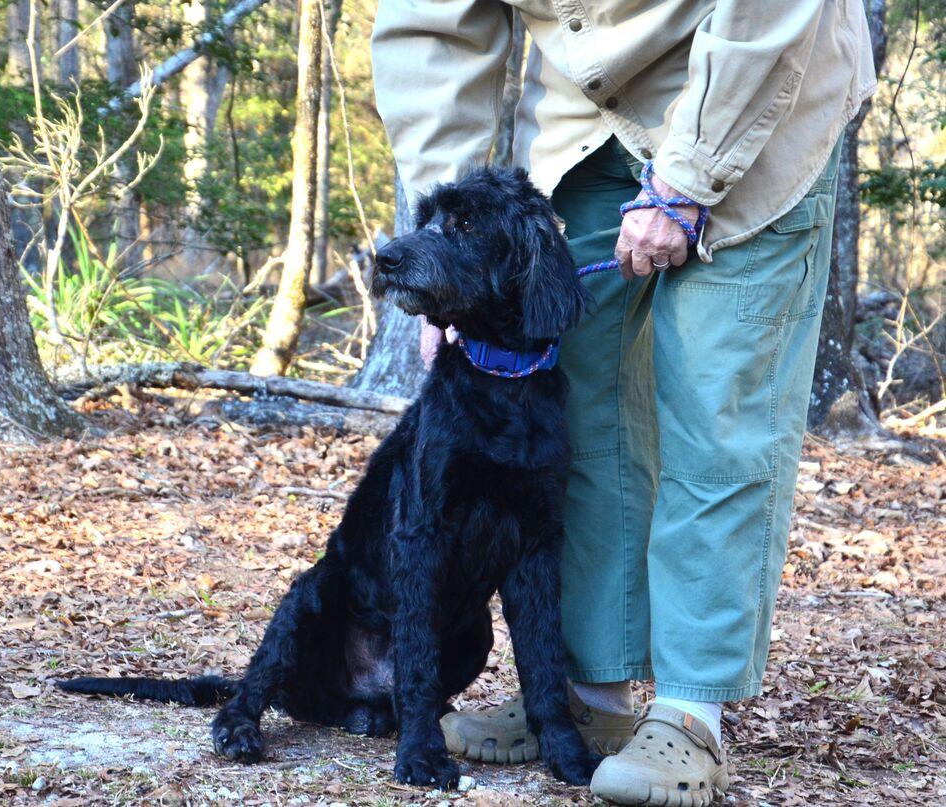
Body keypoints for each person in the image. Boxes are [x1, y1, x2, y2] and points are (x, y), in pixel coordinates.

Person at [371, 2, 876, 802]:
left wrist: (690, 173)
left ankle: (688, 716)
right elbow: (433, 28)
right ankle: (589, 695)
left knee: (717, 418)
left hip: (758, 96)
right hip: (584, 121)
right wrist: (448, 259)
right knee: (577, 413)